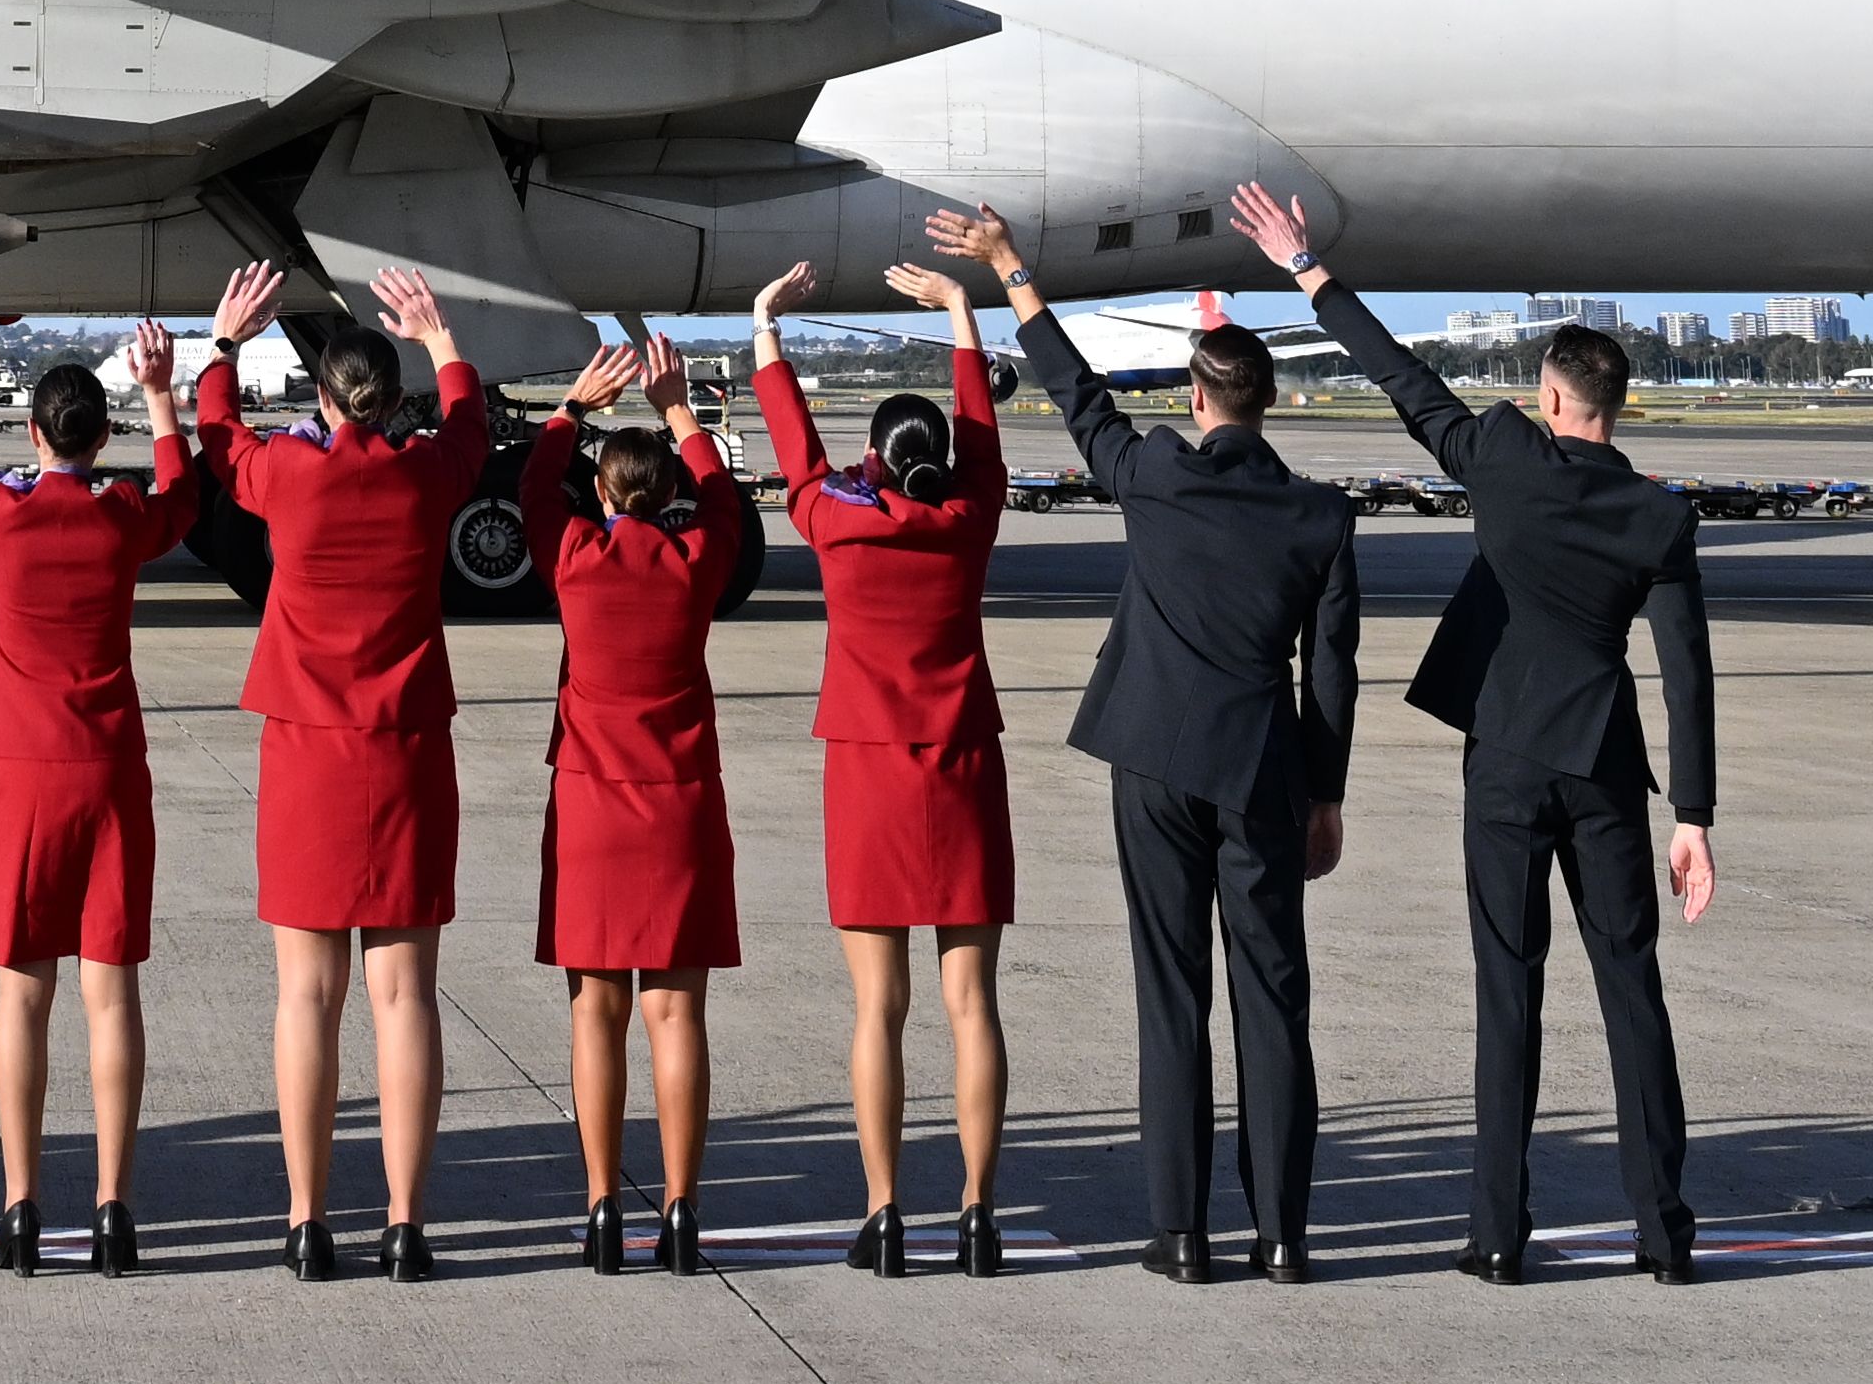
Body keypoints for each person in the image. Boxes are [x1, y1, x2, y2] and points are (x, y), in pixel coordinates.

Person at [1240, 187, 1725, 1286]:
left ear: (1552, 395)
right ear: (1617, 407)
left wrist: (1308, 267)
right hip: (1606, 767)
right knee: (1632, 992)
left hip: (1505, 758)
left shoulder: (1504, 457)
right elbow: (1686, 670)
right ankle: (1665, 1230)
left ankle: (1500, 1234)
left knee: (1510, 990)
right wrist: (1692, 812)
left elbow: (1408, 385)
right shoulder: (1660, 514)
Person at [925, 201, 1360, 1282]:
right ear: (1269, 403)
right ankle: (1284, 1234)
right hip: (1263, 768)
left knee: (1172, 994)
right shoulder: (1321, 515)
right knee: (1274, 997)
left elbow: (1078, 396)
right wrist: (1324, 792)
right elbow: (1334, 670)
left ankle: (1181, 1230)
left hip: (1157, 760)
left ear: (1200, 398)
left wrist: (1012, 267)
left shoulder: (1157, 471)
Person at [197, 256, 490, 1279]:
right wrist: (441, 333)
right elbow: (471, 430)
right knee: (405, 997)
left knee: (306, 997)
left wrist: (228, 341)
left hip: (308, 756)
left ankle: (308, 1217)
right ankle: (407, 1223)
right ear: (394, 396)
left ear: (321, 396)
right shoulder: (422, 475)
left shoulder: (288, 474)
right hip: (406, 750)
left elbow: (219, 436)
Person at [0, 324, 211, 1271]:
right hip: (110, 763)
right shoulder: (121, 516)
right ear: (99, 440)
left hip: (22, 771)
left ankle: (22, 1206)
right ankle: (115, 1209)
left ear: (34, 435)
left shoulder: (2, 517)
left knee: (22, 994)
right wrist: (164, 395)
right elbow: (185, 498)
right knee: (110, 994)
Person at [754, 255, 1015, 1274]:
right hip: (960, 764)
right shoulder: (970, 518)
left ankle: (884, 1208)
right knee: (972, 1003)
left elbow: (798, 455)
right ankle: (980, 1209)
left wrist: (767, 326)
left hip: (866, 768)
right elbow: (981, 439)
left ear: (872, 455)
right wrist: (959, 313)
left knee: (879, 1006)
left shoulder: (835, 524)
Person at [529, 332, 756, 1274]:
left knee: (596, 1016)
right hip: (679, 807)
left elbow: (537, 493)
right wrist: (678, 411)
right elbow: (731, 509)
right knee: (677, 1017)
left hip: (589, 807)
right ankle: (680, 1208)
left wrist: (569, 411)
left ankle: (597, 1209)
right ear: (666, 497)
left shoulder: (575, 555)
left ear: (605, 497)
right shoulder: (697, 558)